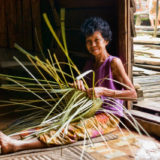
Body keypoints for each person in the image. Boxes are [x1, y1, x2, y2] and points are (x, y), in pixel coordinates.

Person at [0, 17, 137, 154]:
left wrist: (104, 91)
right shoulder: (89, 64)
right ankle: (9, 138)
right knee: (51, 124)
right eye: (89, 41)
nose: (92, 44)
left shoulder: (113, 63)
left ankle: (15, 145)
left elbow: (132, 94)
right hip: (89, 112)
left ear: (106, 41)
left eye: (97, 40)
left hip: (108, 116)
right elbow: (86, 91)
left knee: (71, 130)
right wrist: (77, 87)